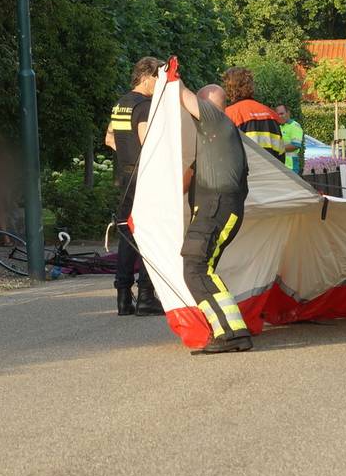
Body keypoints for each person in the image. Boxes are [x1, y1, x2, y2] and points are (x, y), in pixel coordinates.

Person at [177, 82, 254, 354]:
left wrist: (164, 72)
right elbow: (185, 182)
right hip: (218, 207)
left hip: (216, 207)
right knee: (201, 269)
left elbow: (180, 92)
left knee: (196, 268)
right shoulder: (213, 141)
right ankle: (227, 330)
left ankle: (232, 333)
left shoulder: (215, 119)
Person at [104, 57, 164, 317]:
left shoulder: (121, 104)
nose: (160, 84)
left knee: (127, 234)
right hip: (144, 177)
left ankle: (123, 298)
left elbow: (109, 138)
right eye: (158, 79)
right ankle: (146, 296)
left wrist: (126, 152)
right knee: (150, 234)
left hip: (125, 176)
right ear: (147, 77)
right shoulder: (145, 106)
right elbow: (148, 141)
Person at [222, 67, 286, 162]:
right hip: (269, 170)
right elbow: (280, 153)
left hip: (245, 170)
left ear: (229, 88)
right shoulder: (271, 115)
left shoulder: (229, 114)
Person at [276, 104, 305, 175]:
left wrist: (276, 148)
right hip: (280, 166)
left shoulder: (294, 126)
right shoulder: (278, 126)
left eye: (282, 114)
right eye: (278, 114)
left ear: (288, 113)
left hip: (291, 167)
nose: (280, 116)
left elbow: (295, 145)